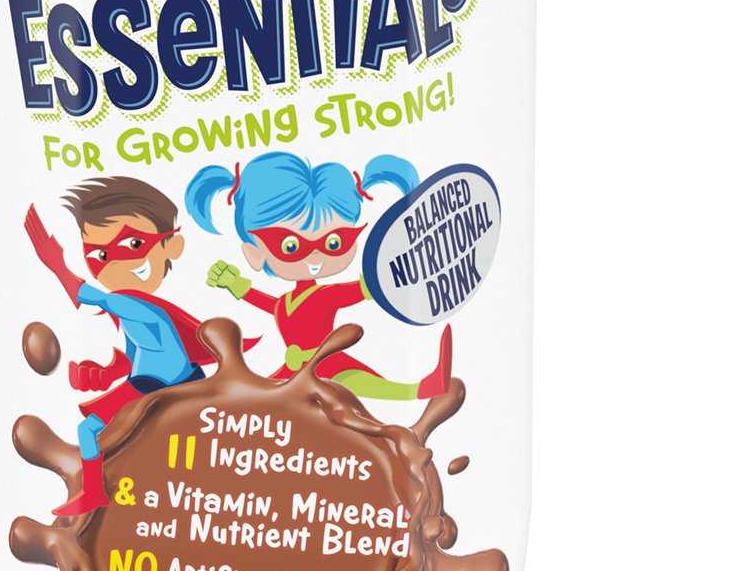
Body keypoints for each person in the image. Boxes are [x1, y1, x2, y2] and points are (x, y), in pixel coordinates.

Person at [23, 175, 218, 517]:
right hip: (159, 381)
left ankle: (95, 493)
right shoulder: (133, 309)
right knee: (117, 434)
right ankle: (109, 491)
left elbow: (86, 295)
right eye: (99, 255)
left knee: (91, 430)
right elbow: (137, 354)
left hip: (166, 385)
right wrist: (108, 373)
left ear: (171, 245)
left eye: (133, 245)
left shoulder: (134, 305)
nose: (114, 263)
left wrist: (56, 264)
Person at [184, 151, 451, 401]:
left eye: (335, 242)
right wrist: (236, 286)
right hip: (295, 371)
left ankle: (422, 389)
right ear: (255, 253)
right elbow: (270, 304)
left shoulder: (327, 295)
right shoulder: (285, 302)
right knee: (259, 399)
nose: (314, 257)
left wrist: (399, 269)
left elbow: (363, 289)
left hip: (327, 364)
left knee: (357, 383)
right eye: (290, 246)